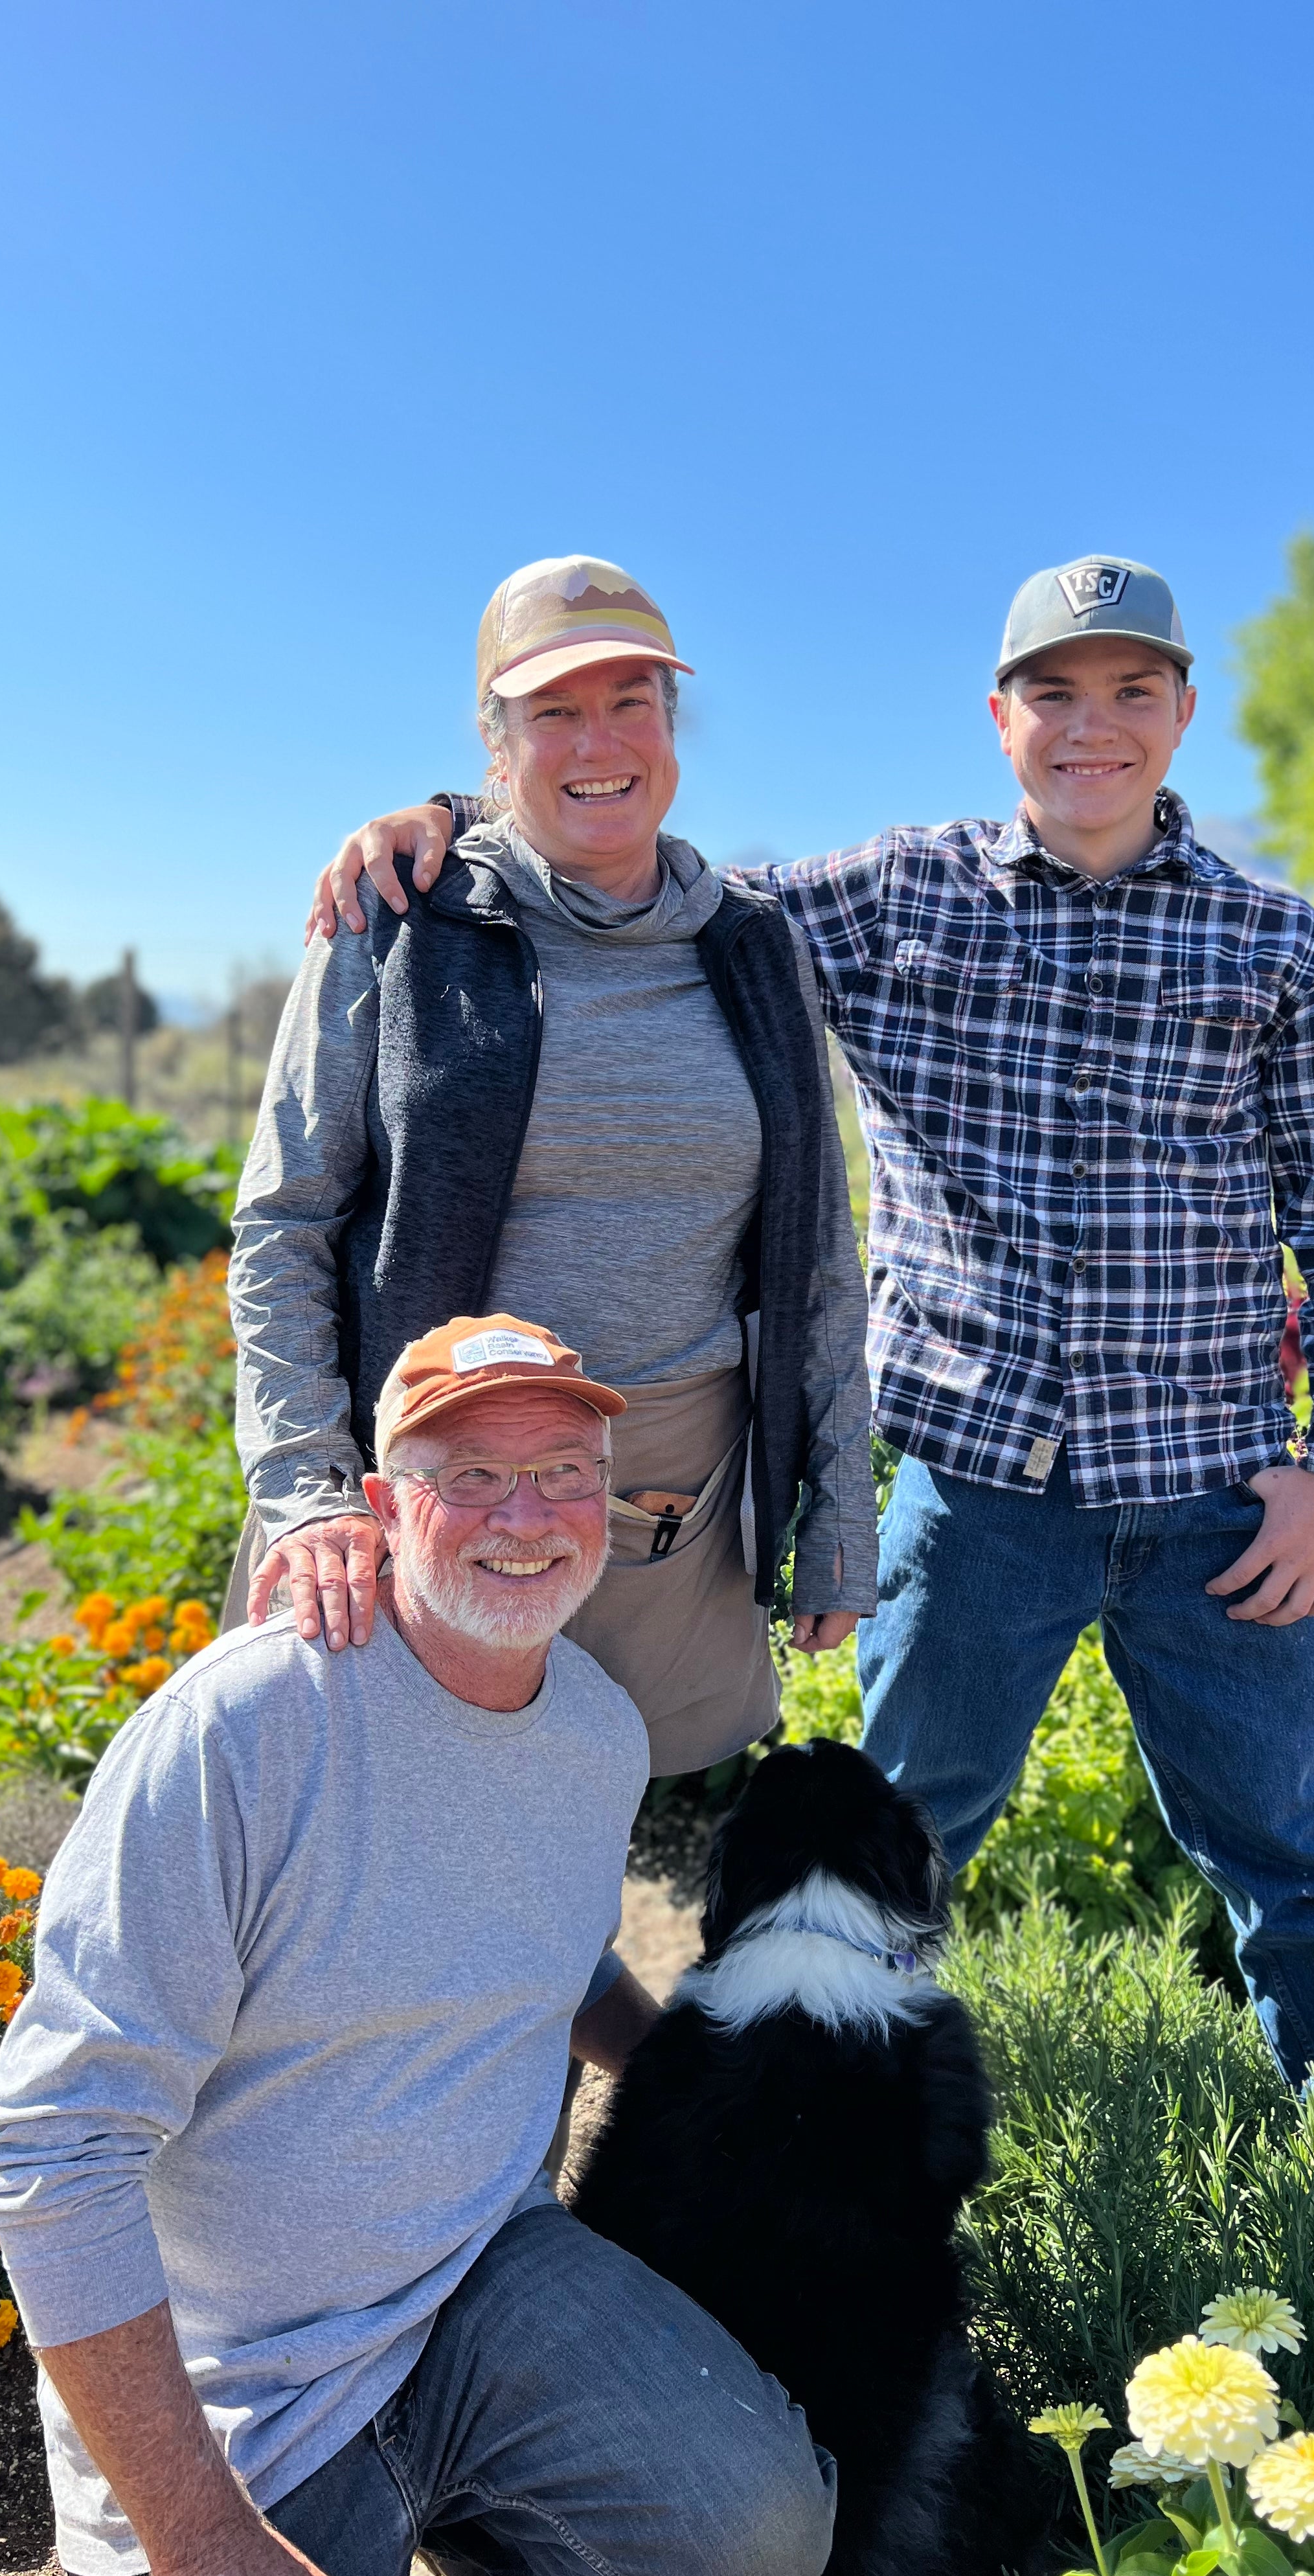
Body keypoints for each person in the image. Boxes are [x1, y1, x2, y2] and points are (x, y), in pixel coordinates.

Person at [304, 554, 1314, 2092]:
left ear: (1181, 714)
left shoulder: (1272, 945)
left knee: (1293, 1874)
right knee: (873, 1879)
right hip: (975, 1501)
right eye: (1052, 693)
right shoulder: (891, 898)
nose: (1088, 728)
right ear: (998, 714)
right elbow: (629, 867)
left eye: (1128, 694)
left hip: (1222, 1501)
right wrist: (443, 817)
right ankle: (779, 2155)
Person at [0, 1311, 838, 2576]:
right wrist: (203, 2542)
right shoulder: (247, 1730)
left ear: (606, 1501)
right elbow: (52, 2149)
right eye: (471, 1476)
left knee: (758, 2539)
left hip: (478, 2275)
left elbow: (558, 1956)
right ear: (382, 1504)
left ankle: (499, 2536)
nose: (525, 1514)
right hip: (247, 2379)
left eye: (563, 1472)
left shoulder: (596, 1731)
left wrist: (699, 2087)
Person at [229, 553, 876, 1780]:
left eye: (630, 698)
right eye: (552, 710)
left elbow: (819, 1261)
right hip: (439, 1481)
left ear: (671, 725)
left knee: (591, 1815)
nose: (599, 738)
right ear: (493, 741)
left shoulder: (753, 945)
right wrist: (308, 1490)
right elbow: (284, 1224)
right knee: (400, 1823)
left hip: (671, 1497)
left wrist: (836, 1510)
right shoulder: (401, 918)